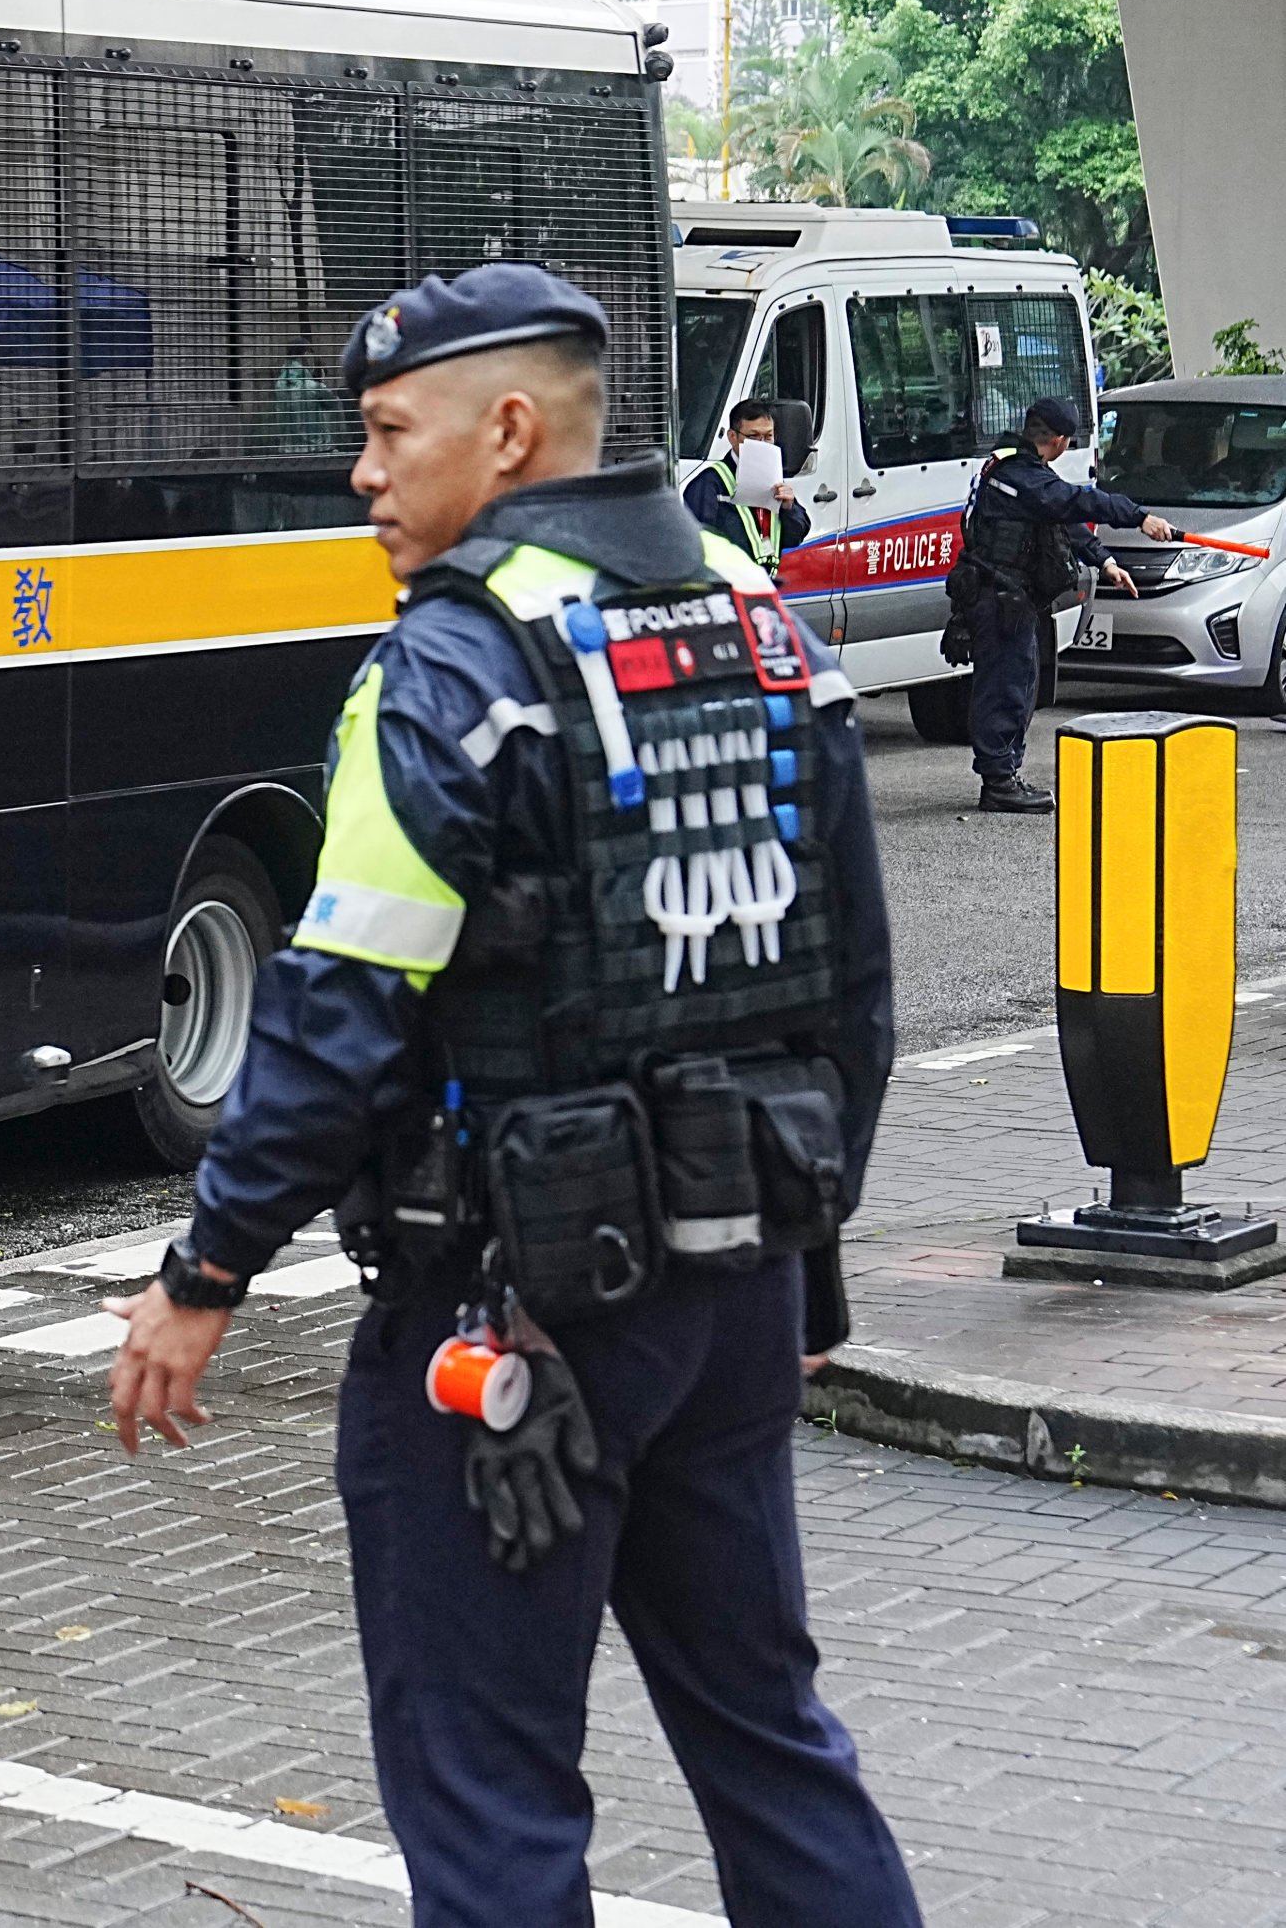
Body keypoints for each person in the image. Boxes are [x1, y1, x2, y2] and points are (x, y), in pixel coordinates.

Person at [101, 262, 917, 1928]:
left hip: (507, 1322)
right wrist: (806, 1260)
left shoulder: (451, 677)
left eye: (394, 431)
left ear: (513, 429)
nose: (366, 470)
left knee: (489, 1791)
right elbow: (851, 993)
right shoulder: (762, 624)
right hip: (738, 1287)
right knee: (771, 1734)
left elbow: (335, 1014)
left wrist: (206, 1272)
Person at [948, 395, 1171, 814]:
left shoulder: (1017, 468)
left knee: (1021, 684)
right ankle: (998, 783)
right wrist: (1138, 516)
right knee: (1005, 689)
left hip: (1008, 597)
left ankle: (1005, 773)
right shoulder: (1019, 476)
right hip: (999, 597)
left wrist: (1104, 561)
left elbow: (1061, 518)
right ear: (1062, 440)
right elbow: (1073, 501)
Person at [681, 395, 812, 568]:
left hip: (765, 582)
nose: (762, 444)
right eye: (754, 436)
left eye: (768, 437)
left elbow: (794, 537)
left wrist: (789, 508)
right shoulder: (709, 484)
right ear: (732, 437)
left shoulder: (775, 480)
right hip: (729, 585)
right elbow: (698, 546)